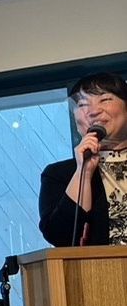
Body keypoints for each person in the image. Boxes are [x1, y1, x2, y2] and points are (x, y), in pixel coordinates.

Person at [39, 72, 127, 247]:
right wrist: (83, 172)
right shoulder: (59, 174)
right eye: (82, 104)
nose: (93, 111)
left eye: (105, 100)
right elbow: (60, 237)